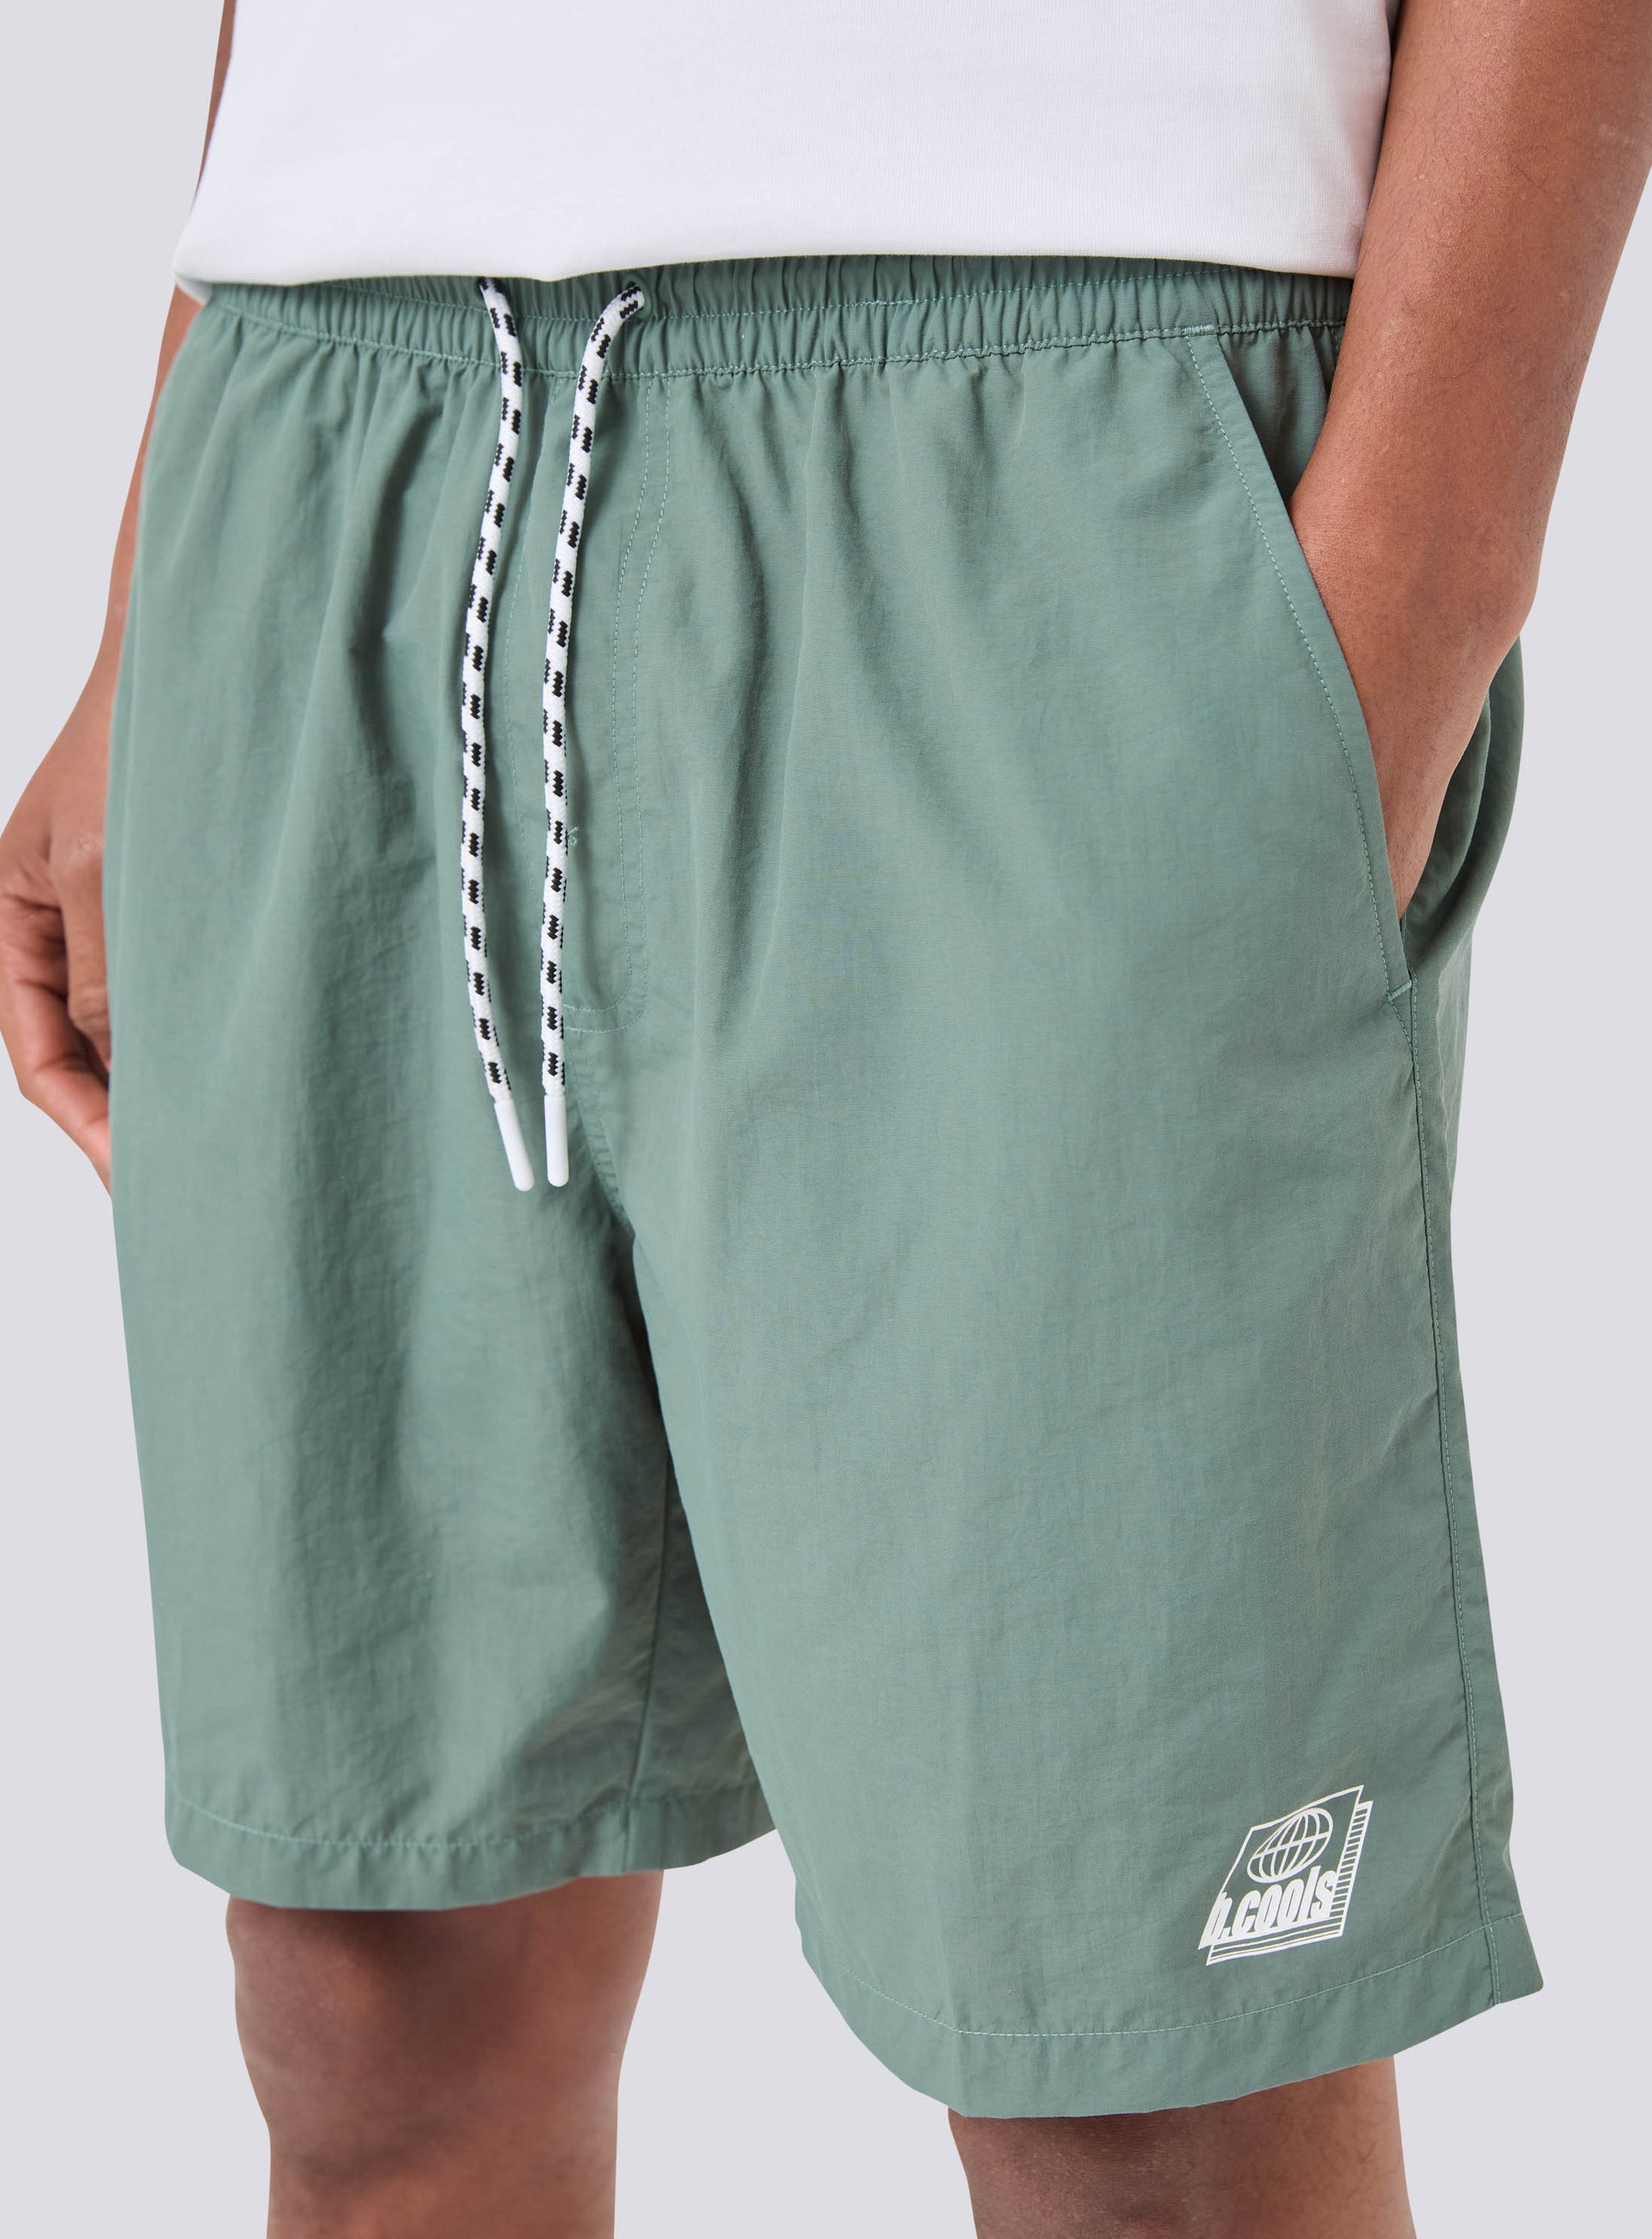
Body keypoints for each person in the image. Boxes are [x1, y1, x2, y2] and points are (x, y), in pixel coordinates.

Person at [2, 2, 1648, 2232]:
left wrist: (1412, 596)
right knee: (373, 2005)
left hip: (1063, 427)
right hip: (336, 431)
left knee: (1136, 2091)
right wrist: (150, 554)